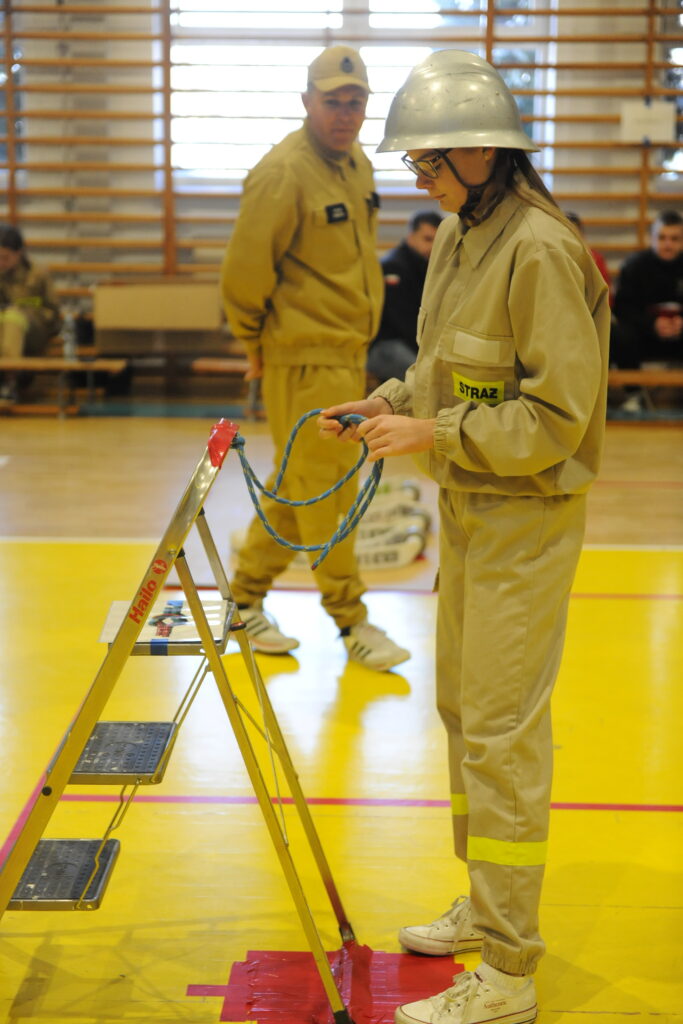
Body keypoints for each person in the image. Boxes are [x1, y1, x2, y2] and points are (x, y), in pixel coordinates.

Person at [320, 49, 610, 1024]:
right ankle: (485, 908)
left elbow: (557, 419)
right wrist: (390, 402)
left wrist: (429, 435)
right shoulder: (457, 233)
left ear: (483, 151)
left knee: (500, 734)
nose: (418, 179)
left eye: (428, 162)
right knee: (459, 712)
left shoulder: (538, 249)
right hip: (471, 514)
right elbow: (449, 366)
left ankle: (511, 969)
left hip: (524, 521)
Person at [220, 46, 410, 672]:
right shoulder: (282, 172)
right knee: (328, 488)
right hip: (302, 356)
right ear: (307, 102)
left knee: (297, 484)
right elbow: (244, 276)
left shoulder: (355, 164)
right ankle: (350, 619)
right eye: (333, 101)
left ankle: (242, 602)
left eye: (355, 102)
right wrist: (255, 343)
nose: (346, 113)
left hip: (343, 352)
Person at [368, 211, 443, 383]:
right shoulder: (393, 267)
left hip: (411, 342)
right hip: (384, 346)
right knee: (427, 380)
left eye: (437, 241)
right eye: (427, 239)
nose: (433, 246)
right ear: (411, 237)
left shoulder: (429, 265)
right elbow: (403, 323)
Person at [612, 209, 683, 370]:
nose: (667, 244)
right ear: (652, 238)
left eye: (674, 238)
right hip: (644, 334)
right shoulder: (634, 266)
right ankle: (634, 391)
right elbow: (623, 308)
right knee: (617, 334)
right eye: (662, 237)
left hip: (680, 334)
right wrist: (653, 324)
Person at [0, 225, 63, 400]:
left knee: (13, 318)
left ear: (19, 253)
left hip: (36, 332)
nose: (1, 262)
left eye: (5, 257)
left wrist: (26, 312)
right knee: (8, 320)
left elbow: (53, 312)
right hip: (6, 329)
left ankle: (9, 380)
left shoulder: (37, 274)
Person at [565, 211, 612, 301]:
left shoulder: (595, 259)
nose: (571, 238)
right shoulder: (553, 259)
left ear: (582, 235)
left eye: (574, 234)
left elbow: (606, 298)